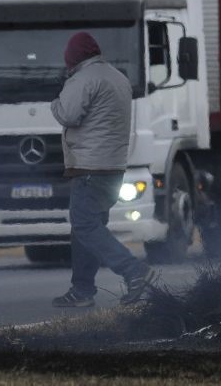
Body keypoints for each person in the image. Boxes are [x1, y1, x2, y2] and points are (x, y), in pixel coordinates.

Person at [50, 32, 158, 308]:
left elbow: (68, 115)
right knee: (87, 229)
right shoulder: (117, 77)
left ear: (73, 57)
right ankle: (82, 290)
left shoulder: (83, 78)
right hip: (113, 166)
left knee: (85, 226)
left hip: (90, 166)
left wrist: (55, 99)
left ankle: (134, 270)